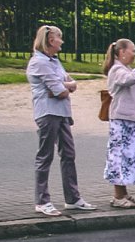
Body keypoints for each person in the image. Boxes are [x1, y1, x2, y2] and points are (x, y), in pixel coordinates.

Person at [27, 24, 91, 215]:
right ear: (50, 40)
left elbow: (67, 84)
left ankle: (72, 198)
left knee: (69, 154)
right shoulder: (39, 63)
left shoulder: (54, 61)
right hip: (47, 113)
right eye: (59, 37)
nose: (62, 41)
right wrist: (65, 86)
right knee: (45, 155)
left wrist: (64, 85)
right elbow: (62, 91)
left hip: (62, 113)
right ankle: (42, 200)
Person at [101, 38, 135, 208]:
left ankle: (123, 192)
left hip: (131, 119)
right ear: (122, 52)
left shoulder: (125, 68)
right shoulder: (117, 70)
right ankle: (117, 195)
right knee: (120, 157)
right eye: (132, 50)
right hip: (122, 120)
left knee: (129, 156)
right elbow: (130, 79)